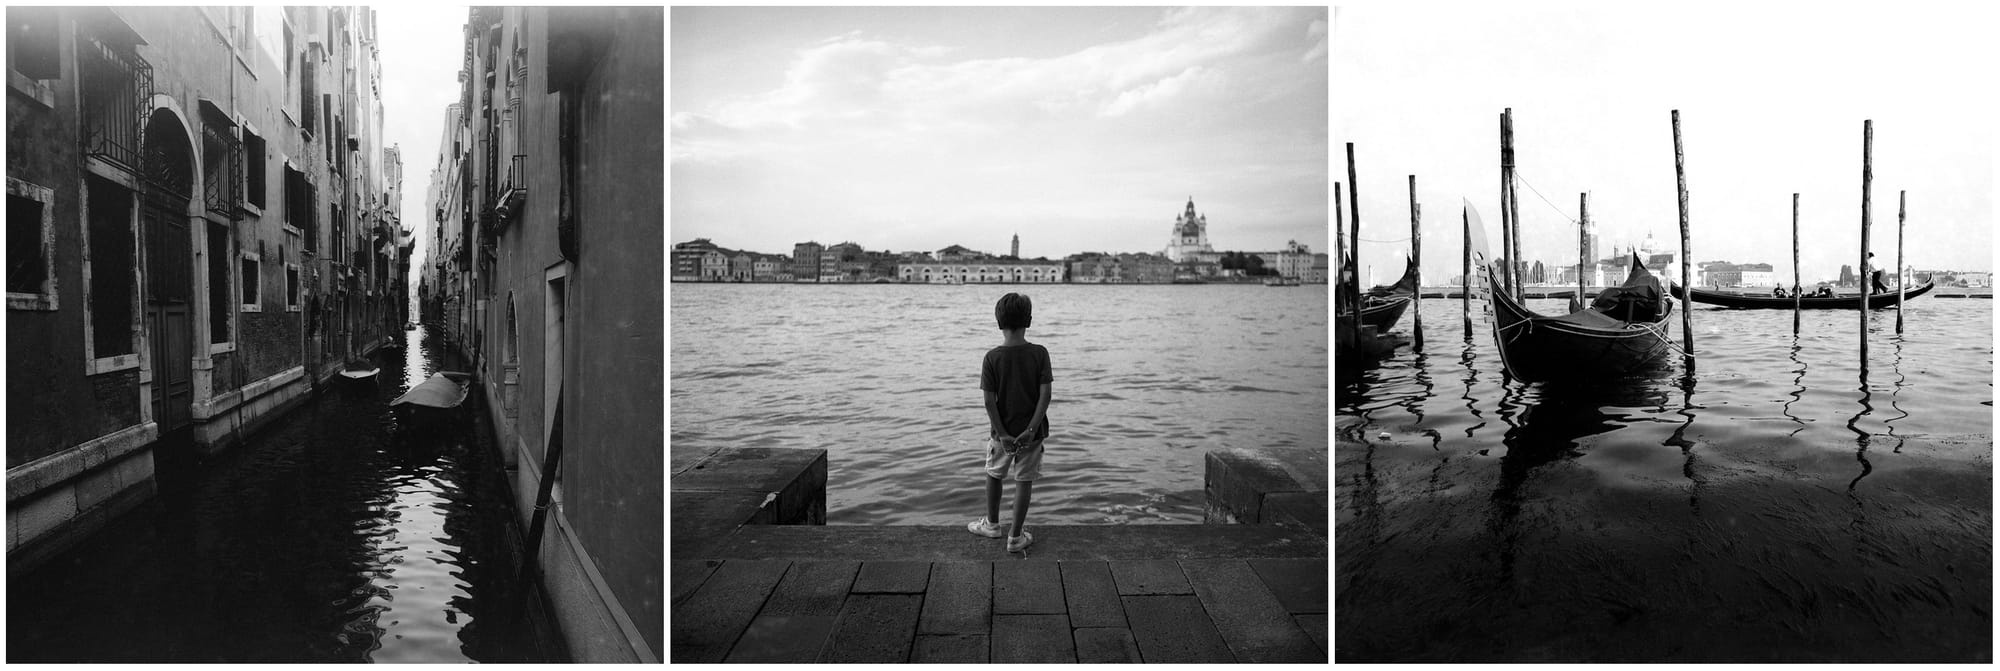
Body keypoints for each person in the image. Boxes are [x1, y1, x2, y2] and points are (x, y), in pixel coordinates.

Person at [968, 293, 1053, 553]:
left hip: (1001, 435)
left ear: (998, 323)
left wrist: (1004, 434)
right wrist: (1029, 430)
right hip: (1032, 433)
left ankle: (992, 525)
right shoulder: (1039, 353)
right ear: (1029, 320)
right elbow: (1045, 395)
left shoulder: (992, 358)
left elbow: (989, 402)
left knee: (994, 474)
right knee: (1023, 481)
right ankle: (1015, 537)